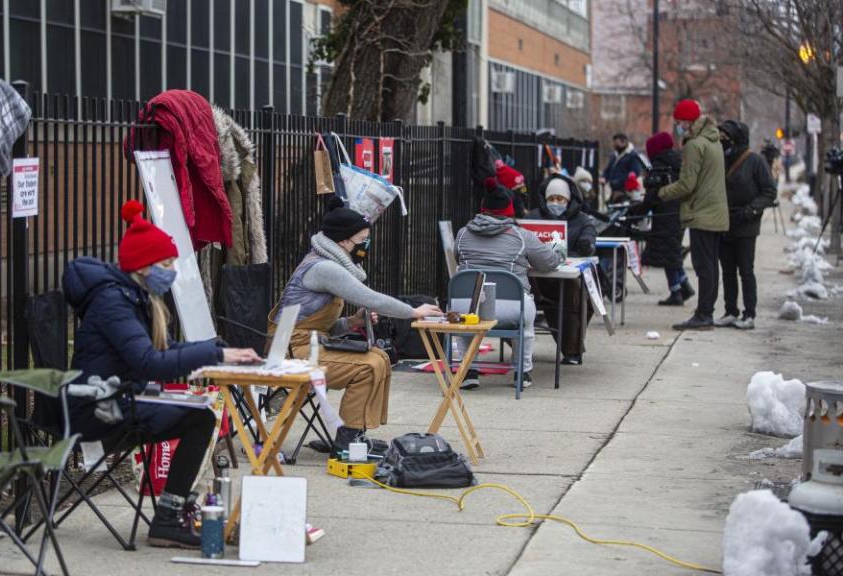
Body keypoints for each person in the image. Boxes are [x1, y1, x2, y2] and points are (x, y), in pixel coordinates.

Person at [62, 200, 261, 549]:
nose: (171, 272)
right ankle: (169, 518)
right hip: (97, 409)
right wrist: (216, 354)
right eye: (166, 264)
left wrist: (214, 349)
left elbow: (165, 351)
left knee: (200, 413)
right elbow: (148, 363)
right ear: (143, 266)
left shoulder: (134, 297)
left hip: (117, 398)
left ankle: (174, 513)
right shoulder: (114, 303)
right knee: (199, 419)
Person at [269, 197, 442, 452]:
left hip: (307, 345)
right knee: (368, 367)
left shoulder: (325, 261)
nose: (365, 247)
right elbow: (369, 297)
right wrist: (413, 311)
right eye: (362, 241)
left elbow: (319, 327)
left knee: (380, 357)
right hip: (292, 352)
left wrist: (352, 322)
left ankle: (354, 433)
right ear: (343, 242)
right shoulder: (324, 268)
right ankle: (346, 440)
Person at [453, 178, 564, 389]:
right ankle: (522, 372)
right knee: (526, 317)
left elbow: (459, 260)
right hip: (510, 307)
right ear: (510, 211)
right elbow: (549, 262)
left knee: (468, 314)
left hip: (466, 305)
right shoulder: (522, 236)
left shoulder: (462, 234)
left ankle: (468, 370)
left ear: (482, 209)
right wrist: (557, 250)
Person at [658, 99, 729, 330]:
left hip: (702, 213)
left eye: (679, 122)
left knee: (703, 266)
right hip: (715, 212)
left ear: (688, 121)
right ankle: (705, 311)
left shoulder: (694, 145)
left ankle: (704, 314)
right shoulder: (713, 140)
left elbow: (687, 184)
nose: (678, 127)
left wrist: (662, 192)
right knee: (710, 265)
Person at [525, 174, 597, 365]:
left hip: (569, 277)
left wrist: (586, 243)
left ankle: (571, 348)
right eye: (551, 199)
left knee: (576, 293)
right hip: (537, 278)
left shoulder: (582, 219)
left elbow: (590, 234)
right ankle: (570, 348)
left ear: (568, 199)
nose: (555, 203)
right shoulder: (533, 217)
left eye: (560, 199)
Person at [716, 120, 777, 330]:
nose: (722, 140)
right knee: (727, 270)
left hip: (746, 223)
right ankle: (730, 310)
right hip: (725, 221)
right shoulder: (722, 159)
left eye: (726, 136)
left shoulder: (755, 161)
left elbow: (769, 191)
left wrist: (751, 210)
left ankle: (749, 313)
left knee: (745, 270)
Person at [636, 131, 694, 306]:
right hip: (679, 213)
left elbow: (654, 196)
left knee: (668, 255)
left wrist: (638, 210)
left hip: (665, 216)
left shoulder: (660, 167)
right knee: (673, 252)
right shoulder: (677, 162)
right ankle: (684, 285)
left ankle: (676, 291)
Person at [603, 133, 646, 203]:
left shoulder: (632, 155)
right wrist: (604, 177)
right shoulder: (614, 155)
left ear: (624, 142)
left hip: (624, 190)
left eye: (617, 143)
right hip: (612, 189)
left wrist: (620, 181)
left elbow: (635, 171)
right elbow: (608, 169)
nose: (615, 145)